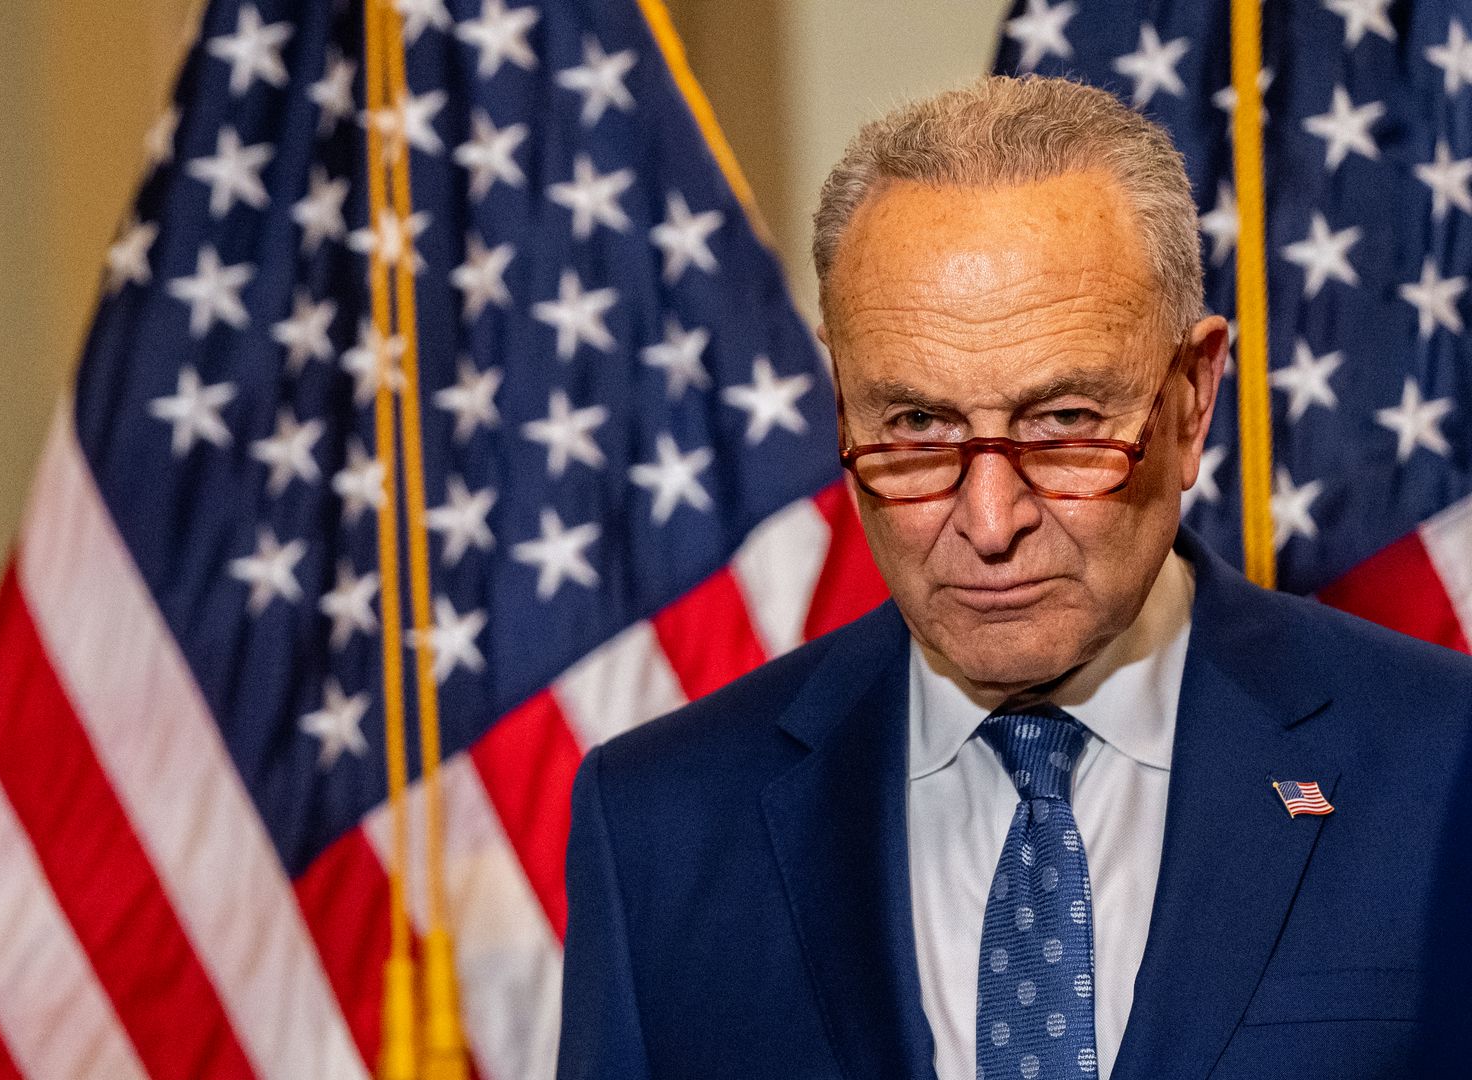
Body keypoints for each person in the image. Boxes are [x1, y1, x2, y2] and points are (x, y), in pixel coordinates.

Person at [557, 75, 1472, 1080]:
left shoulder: (1442, 769)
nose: (990, 524)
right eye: (916, 425)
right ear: (843, 403)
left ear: (1191, 398)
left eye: (1065, 422)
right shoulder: (658, 822)